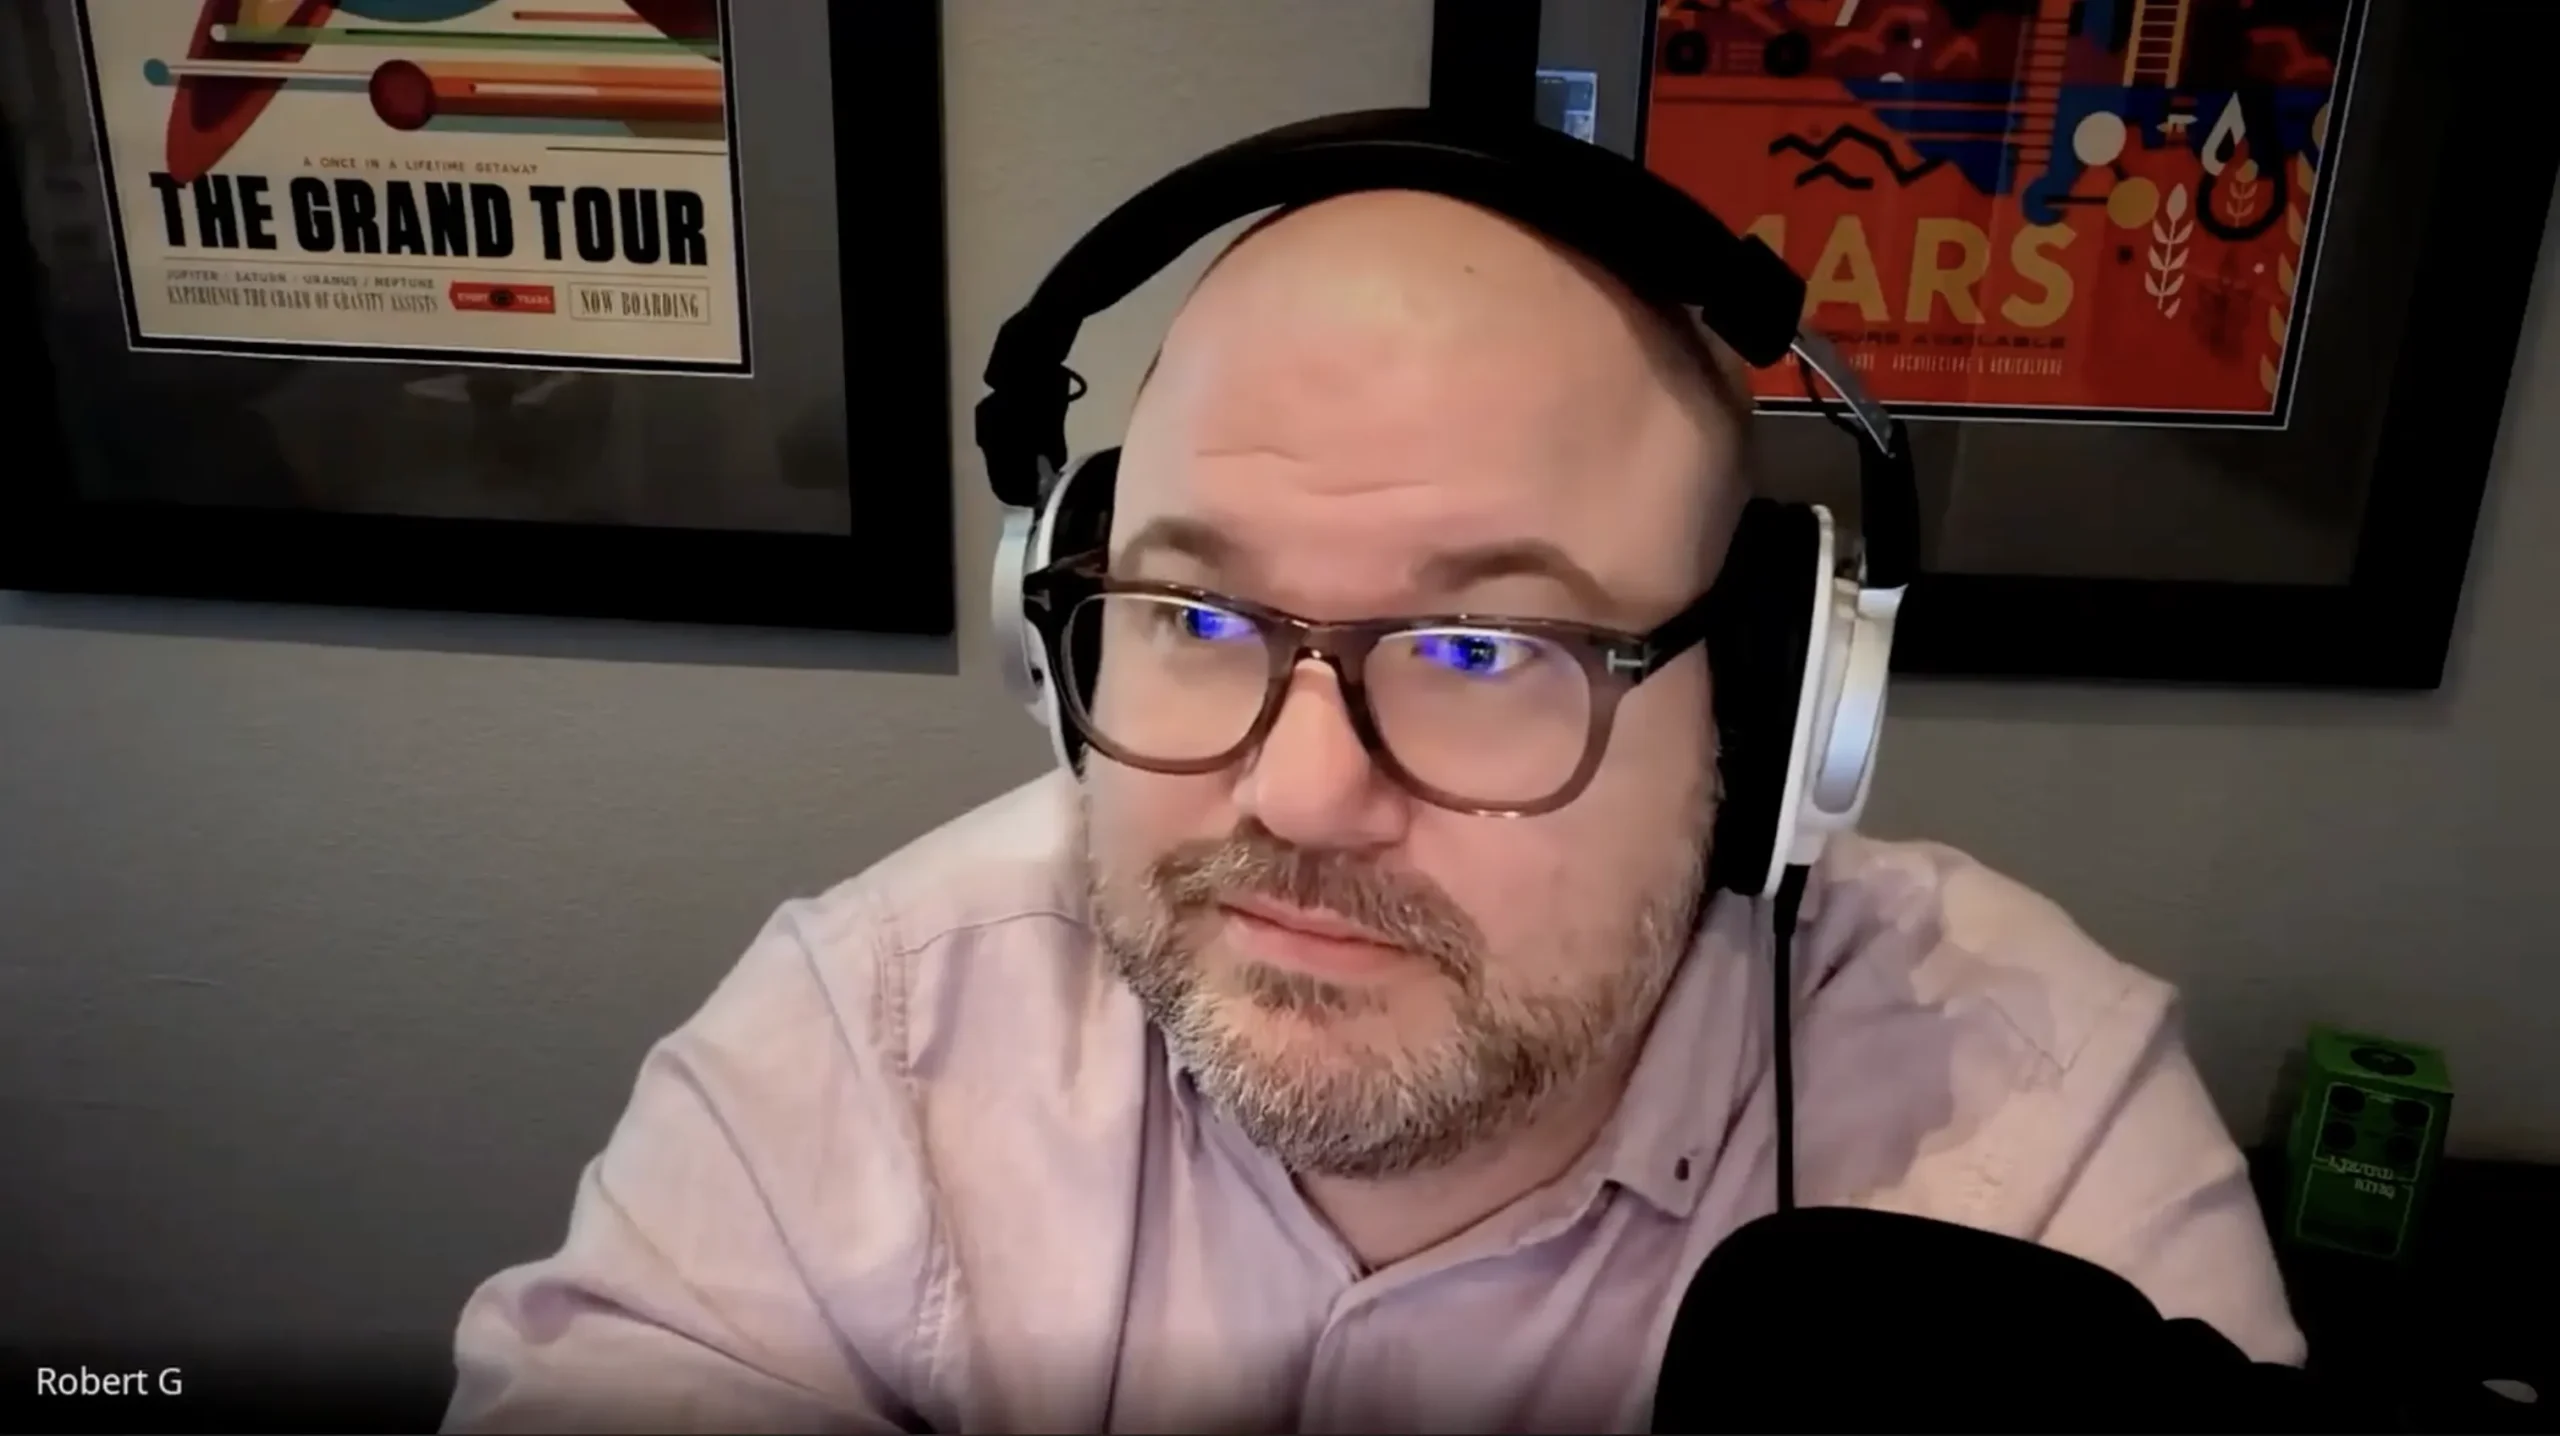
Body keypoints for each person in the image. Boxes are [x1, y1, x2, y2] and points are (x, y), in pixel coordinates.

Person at [443, 189, 2302, 1433]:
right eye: (1190, 613)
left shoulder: (2030, 1134)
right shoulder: (874, 1039)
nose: (1302, 792)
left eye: (1482, 649)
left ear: (1765, 705)